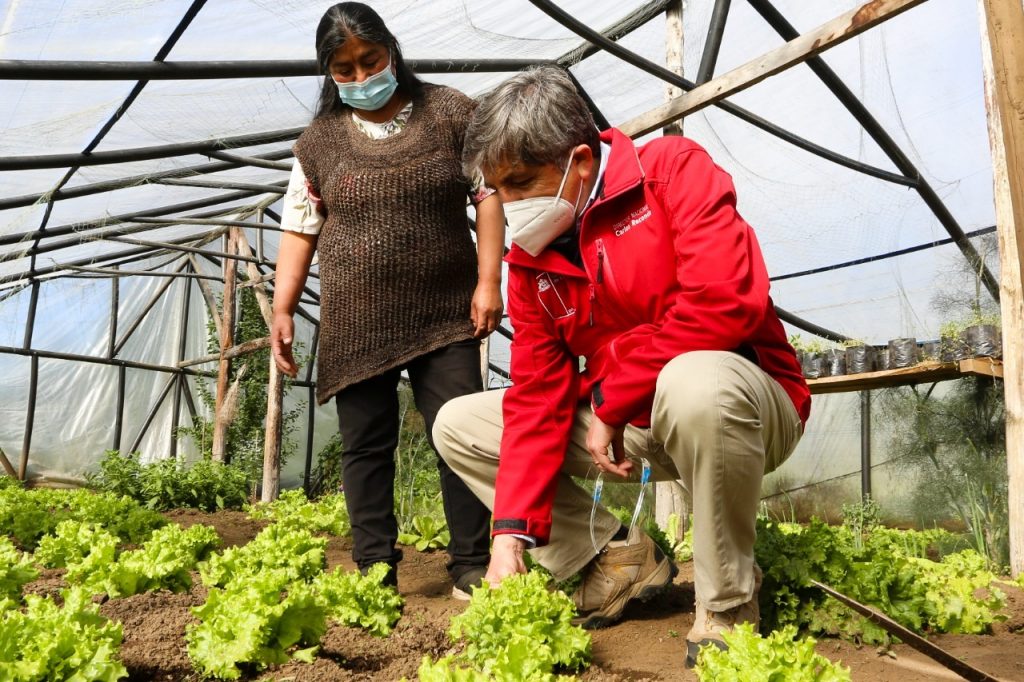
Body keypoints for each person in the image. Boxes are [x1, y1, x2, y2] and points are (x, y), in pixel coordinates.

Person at [433, 65, 810, 665]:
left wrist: (611, 398)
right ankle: (612, 558)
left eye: (521, 182)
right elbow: (535, 396)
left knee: (697, 381)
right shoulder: (531, 261)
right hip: (633, 427)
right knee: (460, 423)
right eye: (496, 190)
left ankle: (727, 603)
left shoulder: (672, 172)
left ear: (581, 161)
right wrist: (509, 533)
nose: (507, 205)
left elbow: (723, 301)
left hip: (743, 405)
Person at [271, 2, 504, 599]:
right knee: (366, 446)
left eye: (368, 61)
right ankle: (375, 568)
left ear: (391, 51)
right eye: (343, 69)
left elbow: (489, 196)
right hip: (356, 318)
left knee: (457, 433)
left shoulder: (451, 113)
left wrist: (488, 282)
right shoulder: (318, 142)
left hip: (445, 311)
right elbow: (300, 228)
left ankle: (471, 564)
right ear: (328, 72)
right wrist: (282, 307)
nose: (358, 77)